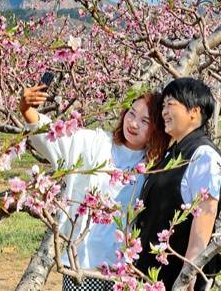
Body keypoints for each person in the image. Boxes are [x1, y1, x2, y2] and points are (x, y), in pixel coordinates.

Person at [20, 84, 169, 290]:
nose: (133, 124)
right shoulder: (96, 144)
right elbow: (58, 139)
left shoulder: (155, 168)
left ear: (157, 130)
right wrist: (28, 111)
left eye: (145, 121)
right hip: (84, 263)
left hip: (125, 271)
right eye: (131, 113)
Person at [135, 78, 221, 290]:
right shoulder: (172, 153)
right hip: (150, 273)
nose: (164, 111)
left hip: (174, 277)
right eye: (163, 106)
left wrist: (189, 274)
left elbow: (204, 220)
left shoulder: (204, 156)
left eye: (171, 105)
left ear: (194, 112)